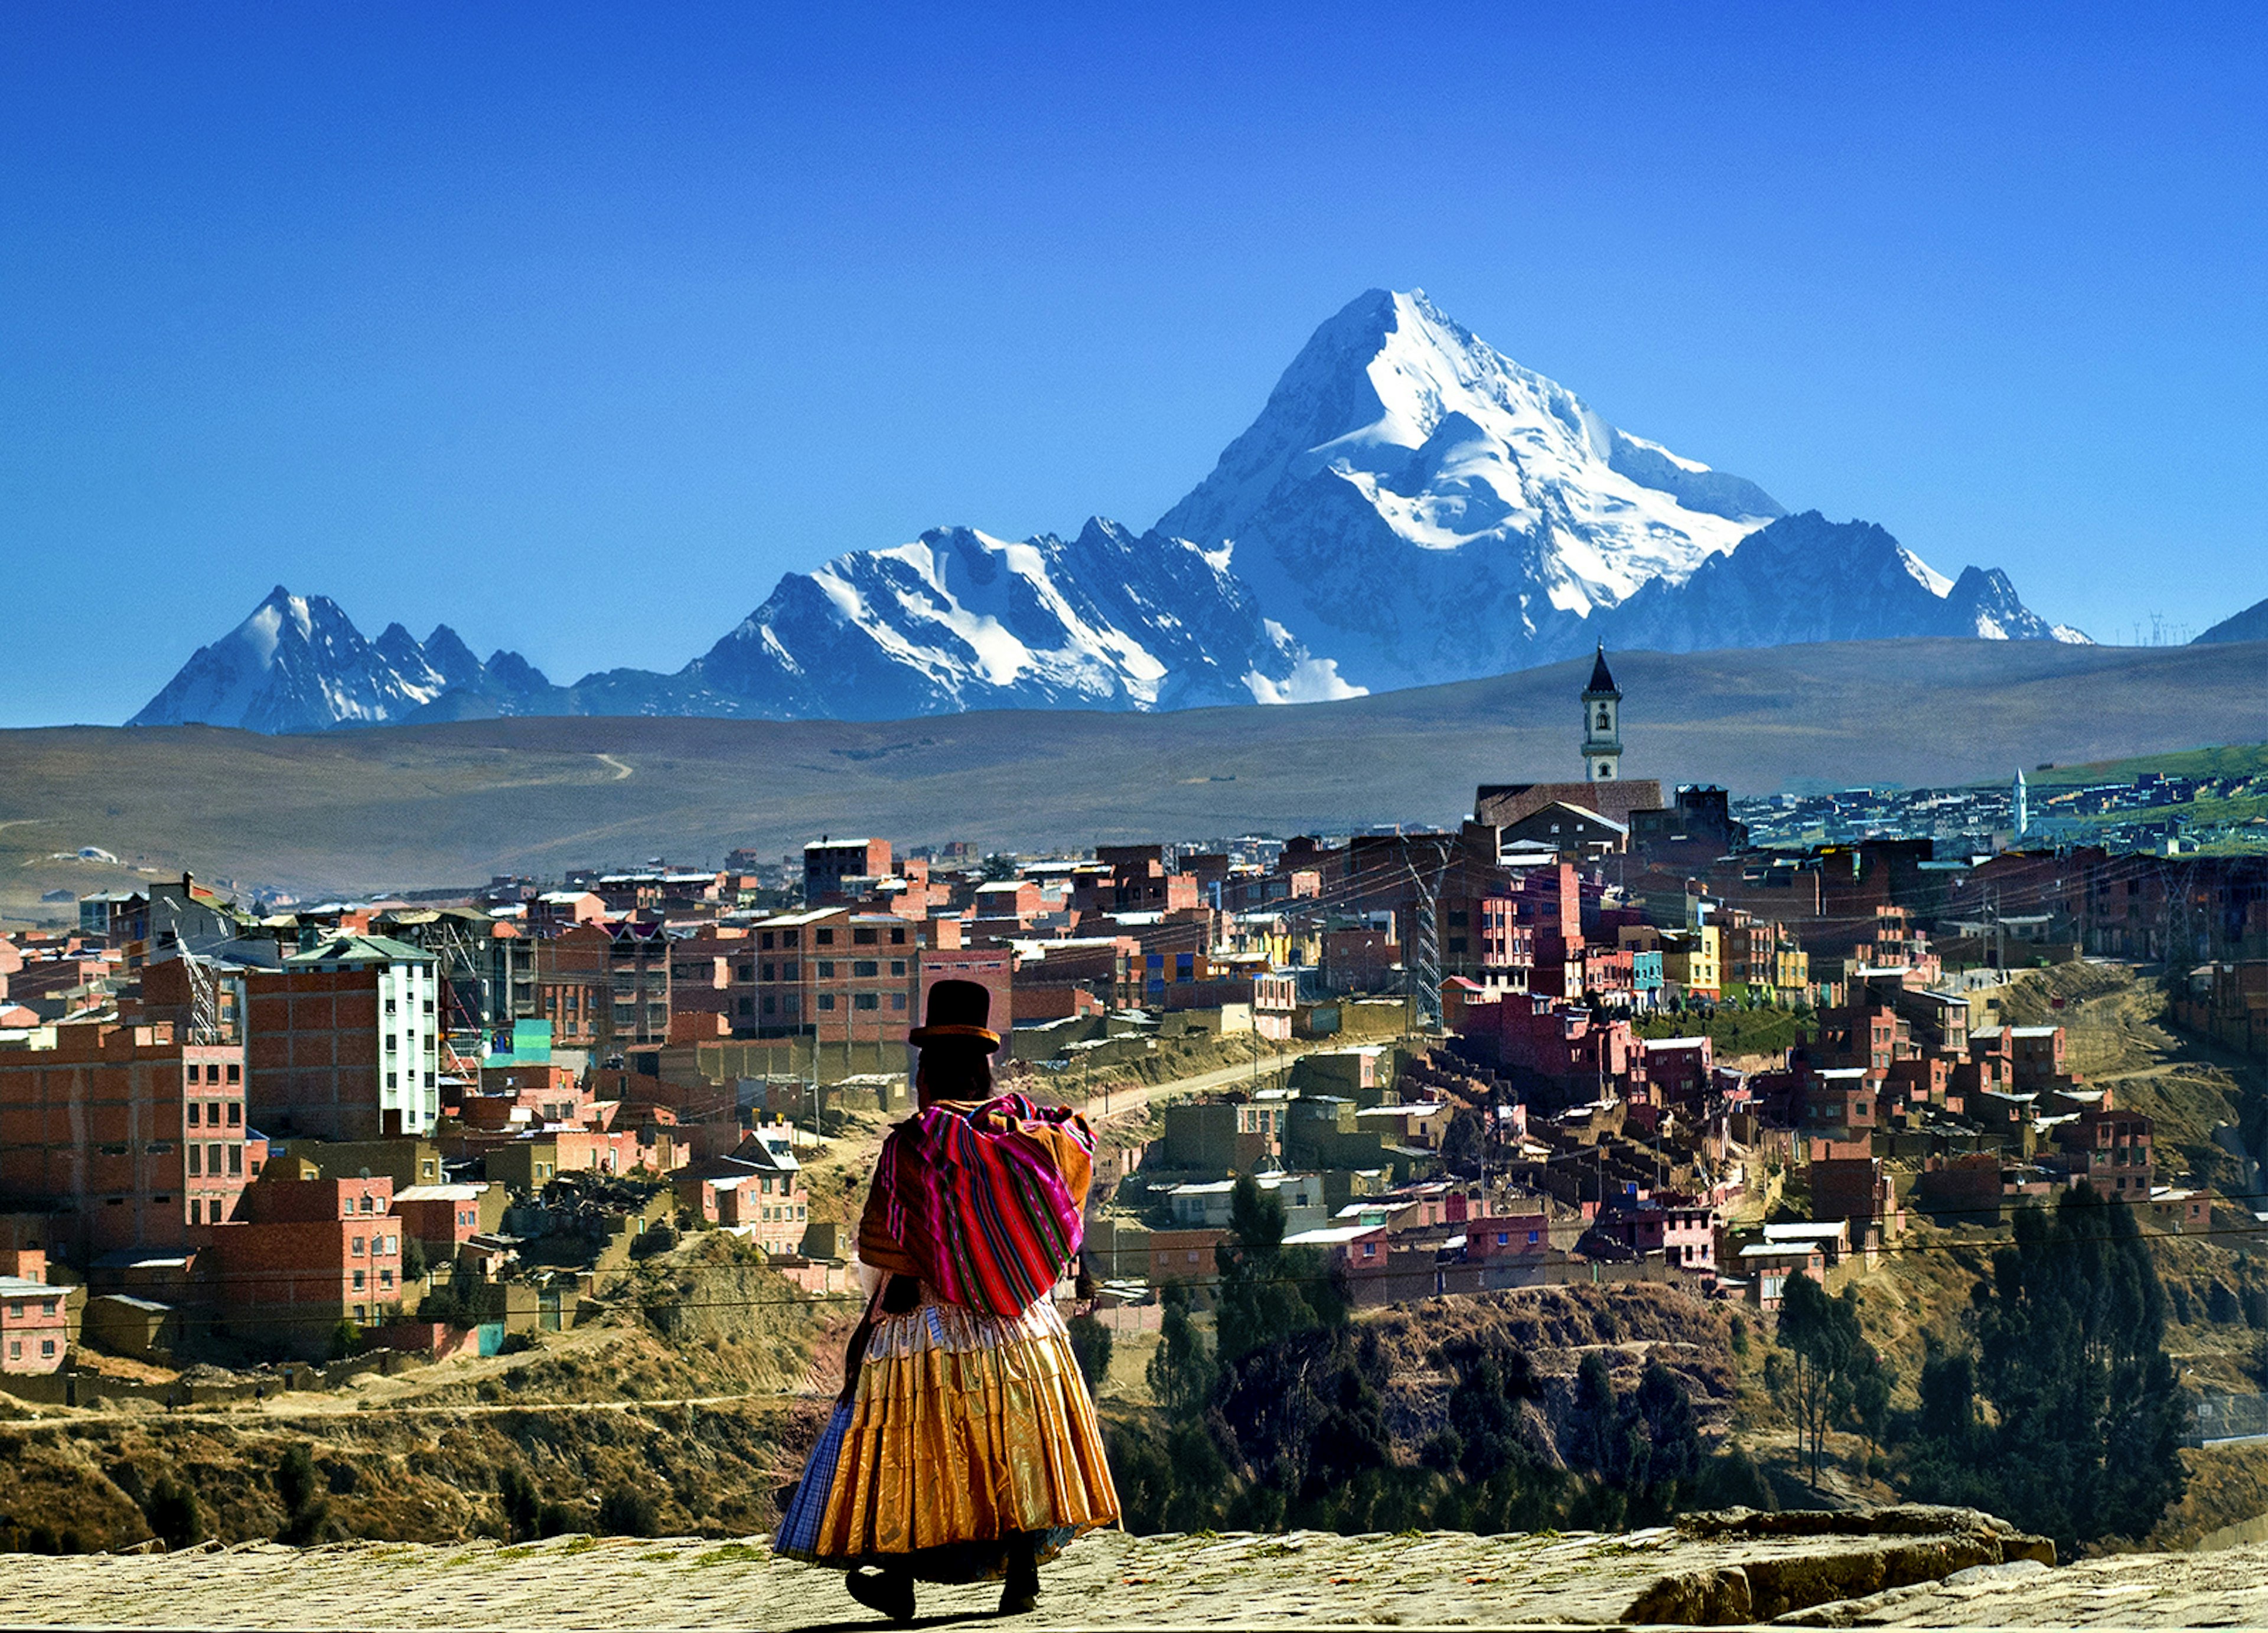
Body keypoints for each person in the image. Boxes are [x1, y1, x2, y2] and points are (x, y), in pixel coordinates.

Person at [778, 980, 1119, 1621]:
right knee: (1014, 1447)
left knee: (912, 1447)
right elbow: (1048, 1218)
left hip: (927, 1326)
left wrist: (897, 1295)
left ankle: (900, 1579)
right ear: (983, 1068)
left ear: (928, 1070)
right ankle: (1022, 1578)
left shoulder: (915, 1144)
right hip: (1019, 1325)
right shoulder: (1022, 1139)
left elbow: (886, 1243)